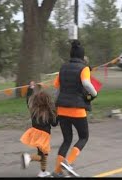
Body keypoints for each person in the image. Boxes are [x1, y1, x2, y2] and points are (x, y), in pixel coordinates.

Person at [52, 40, 98, 177]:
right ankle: (69, 162)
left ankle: (57, 171)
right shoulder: (83, 68)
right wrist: (94, 93)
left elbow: (57, 89)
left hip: (62, 109)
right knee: (84, 137)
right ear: (82, 56)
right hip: (77, 109)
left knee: (67, 139)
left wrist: (56, 106)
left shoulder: (63, 68)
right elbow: (86, 83)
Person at [20, 89, 58, 177]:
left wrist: (30, 89)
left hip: (35, 133)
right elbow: (54, 124)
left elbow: (27, 100)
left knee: (42, 154)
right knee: (43, 155)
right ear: (47, 100)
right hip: (44, 135)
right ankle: (28, 157)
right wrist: (57, 114)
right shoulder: (49, 112)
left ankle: (43, 172)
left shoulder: (34, 110)